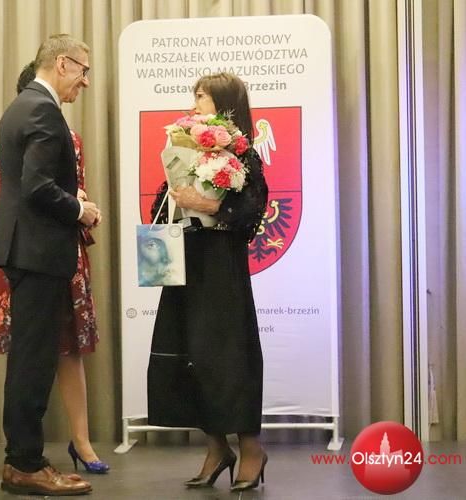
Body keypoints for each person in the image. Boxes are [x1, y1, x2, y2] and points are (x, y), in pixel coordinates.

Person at [0, 61, 108, 476]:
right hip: (36, 250)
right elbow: (30, 189)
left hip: (44, 250)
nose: (84, 82)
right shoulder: (40, 112)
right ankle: (25, 462)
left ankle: (38, 454)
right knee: (32, 359)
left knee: (39, 356)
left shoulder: (26, 112)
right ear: (61, 66)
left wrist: (76, 203)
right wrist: (77, 207)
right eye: (82, 71)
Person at [147, 72, 269, 492]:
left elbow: (251, 213)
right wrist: (176, 197)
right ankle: (216, 447)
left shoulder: (244, 154)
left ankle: (251, 448)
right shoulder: (185, 147)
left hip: (221, 266)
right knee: (189, 351)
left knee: (228, 354)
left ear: (225, 104)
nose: (194, 103)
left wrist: (209, 205)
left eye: (202, 96)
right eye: (195, 95)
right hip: (185, 260)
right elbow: (164, 200)